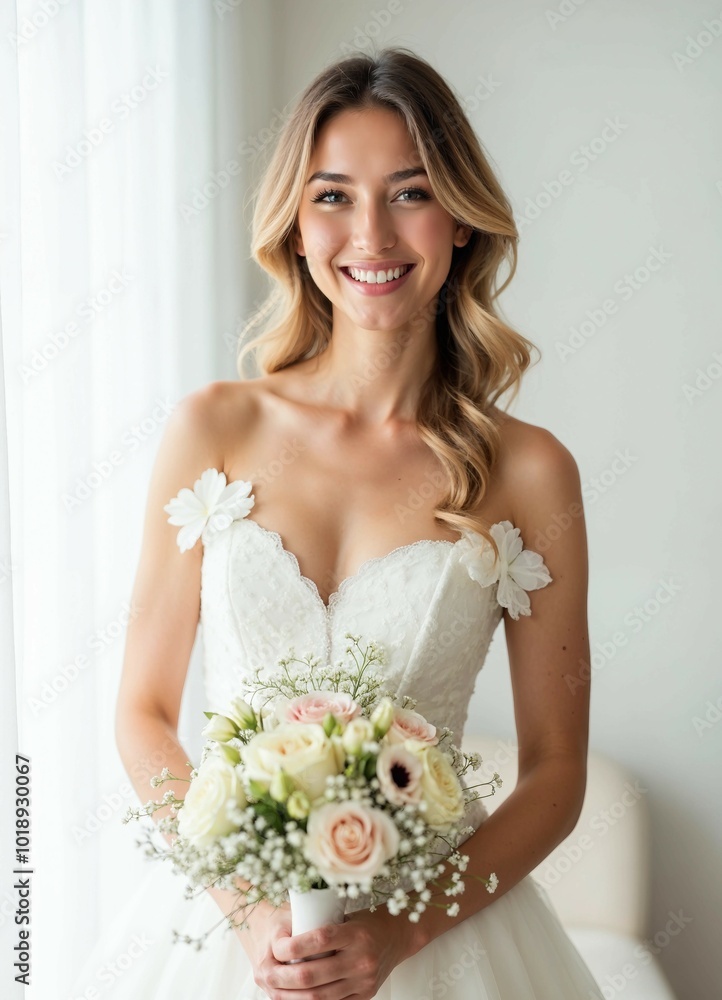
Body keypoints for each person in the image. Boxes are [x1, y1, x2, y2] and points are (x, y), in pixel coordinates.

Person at [69, 47, 604, 999]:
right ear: (295, 223)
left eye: (410, 193)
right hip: (224, 931)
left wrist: (399, 934)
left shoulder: (530, 472)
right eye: (332, 196)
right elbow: (143, 713)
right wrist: (249, 912)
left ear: (461, 220)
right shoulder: (213, 430)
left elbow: (556, 774)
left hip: (438, 941)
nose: (371, 235)